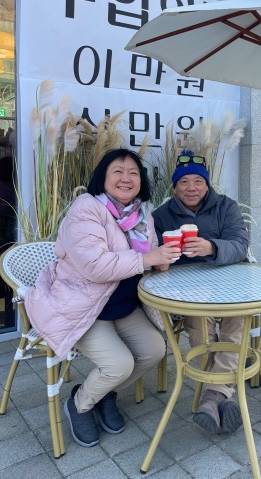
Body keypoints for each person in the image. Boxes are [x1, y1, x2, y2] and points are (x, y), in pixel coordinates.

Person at [25, 148, 181, 448]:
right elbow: (95, 266)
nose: (126, 178)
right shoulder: (87, 209)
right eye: (117, 172)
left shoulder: (142, 214)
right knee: (119, 365)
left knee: (154, 350)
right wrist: (148, 258)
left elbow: (149, 255)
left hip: (123, 306)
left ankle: (103, 394)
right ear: (103, 178)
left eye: (133, 173)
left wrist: (160, 262)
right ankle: (80, 403)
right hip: (84, 307)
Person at [152, 150, 249, 436]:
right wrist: (162, 260)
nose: (191, 188)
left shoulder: (226, 207)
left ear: (207, 185)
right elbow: (154, 256)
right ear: (174, 187)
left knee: (236, 320)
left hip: (230, 282)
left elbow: (240, 244)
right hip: (189, 290)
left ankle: (212, 396)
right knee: (200, 325)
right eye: (184, 182)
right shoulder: (161, 216)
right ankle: (221, 394)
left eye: (198, 181)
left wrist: (211, 247)